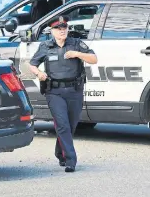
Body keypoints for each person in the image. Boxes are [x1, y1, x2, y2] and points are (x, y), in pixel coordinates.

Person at [29, 15, 98, 172]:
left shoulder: (76, 44)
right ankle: (70, 160)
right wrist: (39, 73)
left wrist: (78, 54)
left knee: (71, 125)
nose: (62, 31)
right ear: (52, 31)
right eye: (58, 29)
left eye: (64, 28)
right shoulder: (45, 46)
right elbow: (32, 64)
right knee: (62, 124)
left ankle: (60, 152)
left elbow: (94, 59)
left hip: (74, 90)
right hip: (54, 92)